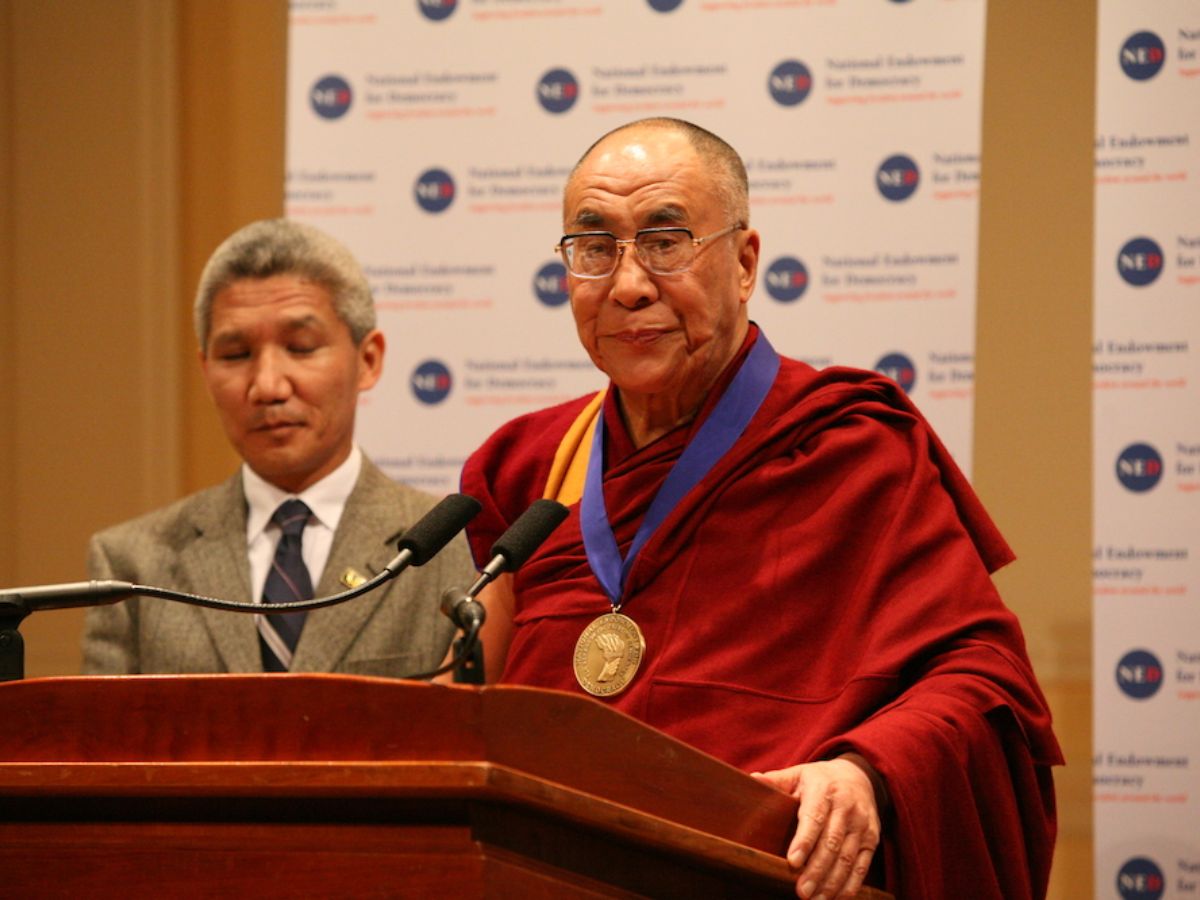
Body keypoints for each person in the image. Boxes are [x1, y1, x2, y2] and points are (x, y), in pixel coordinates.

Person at [459, 119, 1062, 899]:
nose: (628, 283)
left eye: (666, 241)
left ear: (744, 263)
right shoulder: (529, 466)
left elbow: (982, 683)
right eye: (594, 247)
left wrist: (867, 770)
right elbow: (468, 703)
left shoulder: (847, 447)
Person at [83, 219, 473, 678]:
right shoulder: (133, 565)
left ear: (368, 361)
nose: (267, 386)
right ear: (205, 371)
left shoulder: (453, 550)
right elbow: (104, 749)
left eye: (301, 347)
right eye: (235, 355)